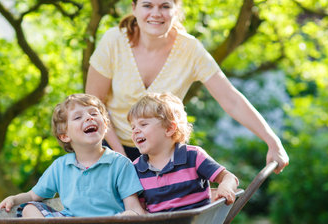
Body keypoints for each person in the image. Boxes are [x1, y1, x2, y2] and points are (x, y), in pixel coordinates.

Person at [85, 0, 289, 175]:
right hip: (109, 144)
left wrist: (272, 141)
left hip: (163, 152)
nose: (156, 13)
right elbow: (94, 105)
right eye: (147, 5)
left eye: (165, 6)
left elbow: (231, 99)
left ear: (176, 9)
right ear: (134, 8)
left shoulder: (190, 50)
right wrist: (121, 157)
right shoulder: (114, 41)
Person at [128, 92, 239, 224]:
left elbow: (229, 177)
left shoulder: (192, 156)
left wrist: (225, 186)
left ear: (170, 128)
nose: (135, 131)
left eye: (143, 124)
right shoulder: (136, 169)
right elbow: (139, 209)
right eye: (133, 127)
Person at [0, 93, 146, 218]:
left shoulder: (120, 164)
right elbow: (33, 196)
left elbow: (134, 208)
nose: (89, 118)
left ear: (105, 125)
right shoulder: (60, 166)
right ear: (64, 136)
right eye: (78, 117)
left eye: (94, 113)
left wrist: (128, 216)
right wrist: (14, 198)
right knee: (29, 208)